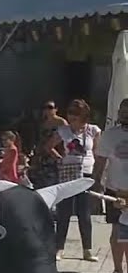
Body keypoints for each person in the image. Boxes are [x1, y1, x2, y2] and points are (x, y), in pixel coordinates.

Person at [46, 99, 100, 261]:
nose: (72, 118)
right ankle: (59, 248)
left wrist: (98, 174)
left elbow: (97, 152)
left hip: (86, 172)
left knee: (84, 213)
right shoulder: (64, 130)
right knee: (64, 211)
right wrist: (59, 159)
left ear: (84, 116)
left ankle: (87, 249)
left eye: (76, 115)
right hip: (68, 172)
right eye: (70, 114)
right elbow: (48, 146)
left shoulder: (93, 130)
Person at [94, 98, 128, 273]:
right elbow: (100, 161)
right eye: (122, 111)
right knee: (117, 230)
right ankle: (117, 270)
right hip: (115, 189)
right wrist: (96, 182)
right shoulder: (110, 135)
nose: (125, 115)